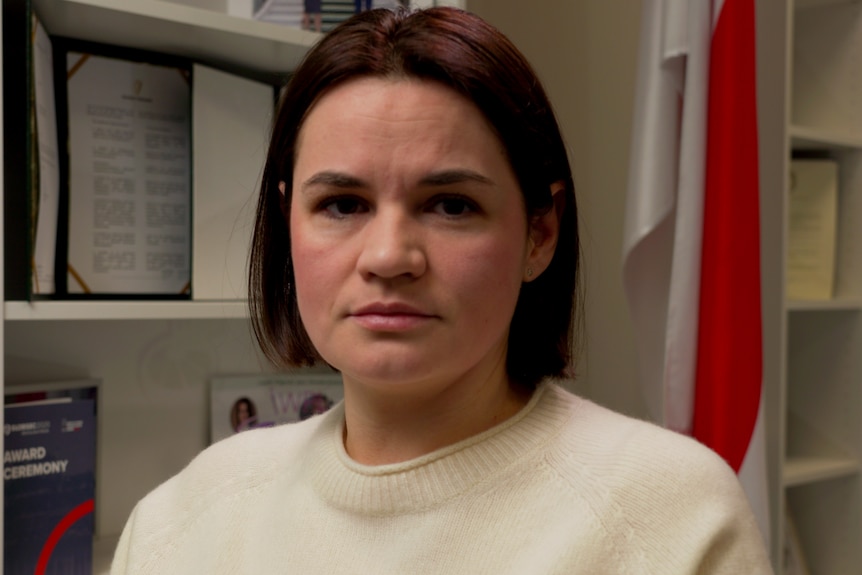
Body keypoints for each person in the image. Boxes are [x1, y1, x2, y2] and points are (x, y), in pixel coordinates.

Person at [110, 7, 773, 574]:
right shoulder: (180, 522)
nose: (390, 256)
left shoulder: (674, 519)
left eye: (451, 205)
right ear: (287, 224)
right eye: (342, 203)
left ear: (540, 233)